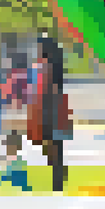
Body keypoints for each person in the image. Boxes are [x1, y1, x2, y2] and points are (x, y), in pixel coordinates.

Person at [27, 35, 72, 192]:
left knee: (50, 147)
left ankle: (58, 180)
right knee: (56, 147)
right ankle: (58, 180)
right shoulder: (56, 64)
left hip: (46, 109)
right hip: (58, 108)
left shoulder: (42, 67)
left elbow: (39, 90)